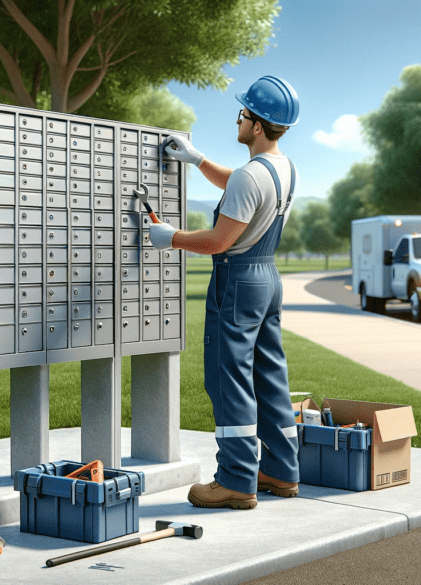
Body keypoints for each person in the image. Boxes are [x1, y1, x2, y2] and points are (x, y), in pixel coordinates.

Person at [150, 75, 301, 510]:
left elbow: (218, 241)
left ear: (256, 126)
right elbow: (242, 186)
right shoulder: (282, 168)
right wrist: (197, 160)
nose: (238, 119)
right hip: (267, 279)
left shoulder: (248, 177)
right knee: (269, 375)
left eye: (243, 114)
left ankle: (236, 479)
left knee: (228, 379)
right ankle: (280, 471)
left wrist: (171, 237)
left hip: (236, 280)